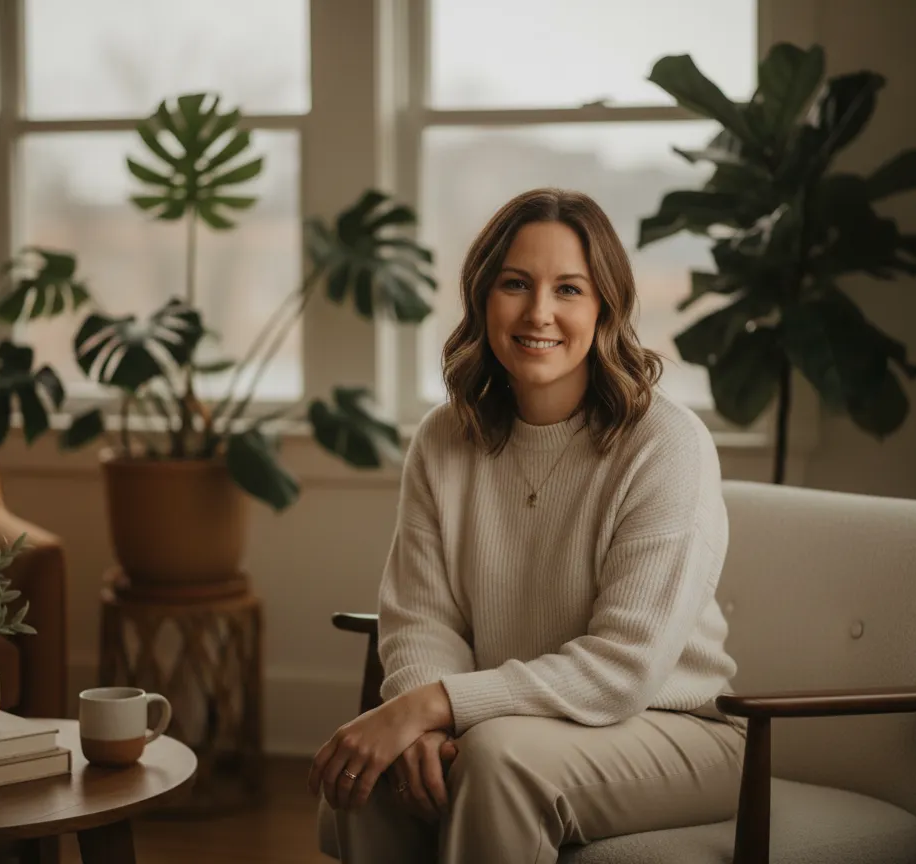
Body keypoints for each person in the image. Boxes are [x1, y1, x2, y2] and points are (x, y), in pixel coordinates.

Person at [311, 188, 745, 864]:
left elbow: (624, 668)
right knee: (375, 772)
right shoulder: (444, 439)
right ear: (484, 298)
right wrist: (417, 727)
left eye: (569, 289)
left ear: (605, 307)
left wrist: (432, 708)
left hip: (679, 733)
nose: (539, 312)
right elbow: (422, 619)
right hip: (507, 726)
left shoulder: (666, 443)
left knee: (494, 759)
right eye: (516, 284)